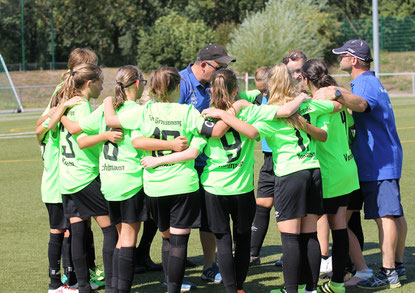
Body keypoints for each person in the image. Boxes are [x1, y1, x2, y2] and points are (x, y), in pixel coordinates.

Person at [104, 67, 207, 293]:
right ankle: (173, 289)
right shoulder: (189, 112)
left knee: (167, 239)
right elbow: (204, 138)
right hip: (184, 184)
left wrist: (108, 101)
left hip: (155, 186)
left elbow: (136, 141)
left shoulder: (145, 111)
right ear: (178, 87)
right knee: (179, 242)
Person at [314, 39, 407, 290]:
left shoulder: (365, 83)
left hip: (378, 161)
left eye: (342, 55)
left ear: (353, 59)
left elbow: (363, 105)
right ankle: (393, 266)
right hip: (378, 160)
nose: (339, 59)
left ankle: (389, 272)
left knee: (385, 215)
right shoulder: (366, 82)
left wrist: (336, 93)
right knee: (392, 214)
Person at [255, 64, 341, 293]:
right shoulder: (308, 103)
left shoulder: (270, 111)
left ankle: (291, 290)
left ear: (271, 84)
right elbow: (336, 106)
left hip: (290, 174)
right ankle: (310, 289)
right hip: (313, 171)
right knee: (309, 234)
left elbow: (252, 133)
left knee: (290, 237)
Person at [48, 63, 118, 293]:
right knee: (110, 230)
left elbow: (55, 130)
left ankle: (84, 287)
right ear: (90, 83)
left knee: (77, 233)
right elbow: (81, 135)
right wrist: (106, 136)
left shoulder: (66, 107)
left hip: (67, 179)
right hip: (85, 177)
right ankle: (112, 283)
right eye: (100, 82)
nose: (102, 86)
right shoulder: (83, 107)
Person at [301, 59, 360, 293]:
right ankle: (337, 283)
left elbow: (322, 134)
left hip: (329, 171)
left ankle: (309, 286)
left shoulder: (320, 103)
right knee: (339, 225)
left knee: (312, 227)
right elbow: (351, 126)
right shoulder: (340, 101)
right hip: (346, 167)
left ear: (306, 79)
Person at [178, 43, 235, 284]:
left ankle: (209, 266)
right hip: (180, 163)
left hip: (206, 163)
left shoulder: (213, 84)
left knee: (208, 220)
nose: (221, 72)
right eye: (219, 66)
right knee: (177, 222)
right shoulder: (180, 82)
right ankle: (175, 273)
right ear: (204, 65)